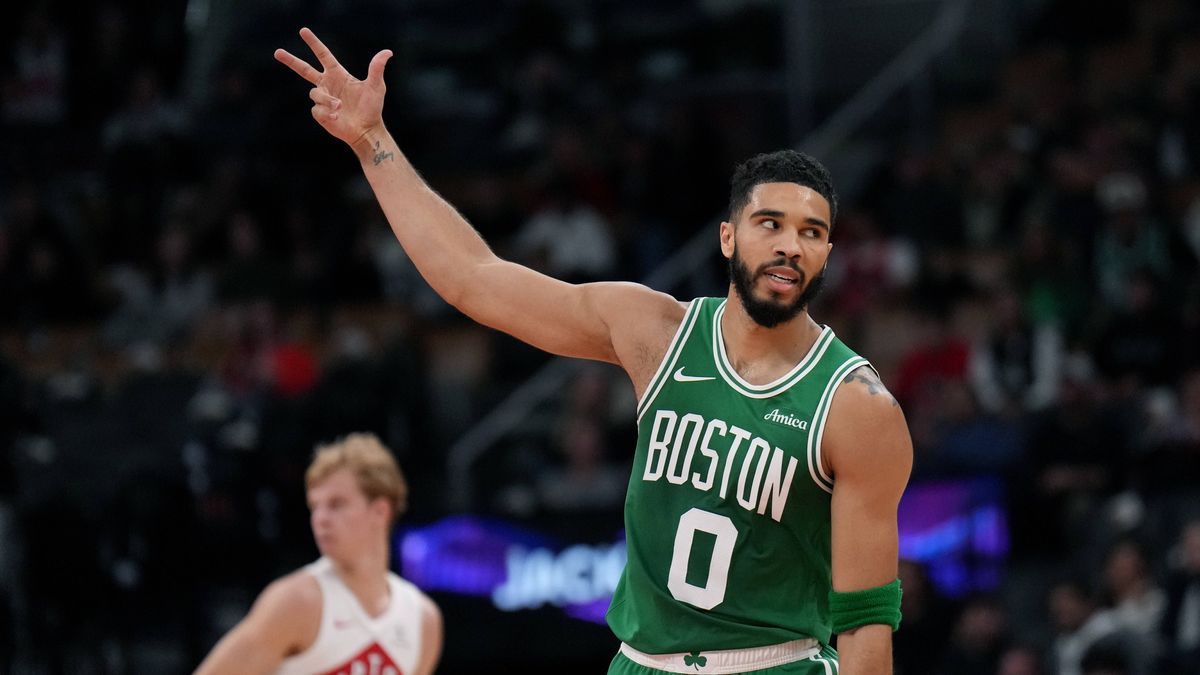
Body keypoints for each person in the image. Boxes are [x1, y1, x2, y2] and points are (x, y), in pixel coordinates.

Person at [275, 27, 912, 674]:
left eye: (812, 232)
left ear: (829, 254)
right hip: (640, 662)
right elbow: (475, 278)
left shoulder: (856, 408)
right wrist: (370, 140)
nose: (789, 246)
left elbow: (865, 631)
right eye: (769, 224)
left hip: (778, 663)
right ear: (726, 238)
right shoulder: (655, 334)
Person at [194, 433, 442, 675]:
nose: (320, 519)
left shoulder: (423, 621)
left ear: (380, 511)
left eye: (336, 504)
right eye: (315, 506)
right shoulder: (296, 602)